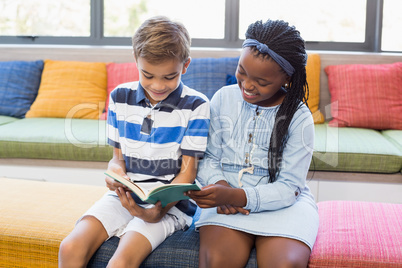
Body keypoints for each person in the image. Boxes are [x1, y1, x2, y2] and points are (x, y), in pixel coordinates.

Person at [58, 16, 210, 267]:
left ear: (185, 65)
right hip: (124, 197)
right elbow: (117, 159)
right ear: (136, 60)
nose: (158, 85)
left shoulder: (197, 105)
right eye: (147, 75)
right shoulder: (119, 97)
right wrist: (114, 174)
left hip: (170, 206)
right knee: (70, 247)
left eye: (169, 77)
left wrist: (157, 209)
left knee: (122, 261)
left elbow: (188, 173)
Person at [186, 19, 319, 268]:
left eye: (261, 81)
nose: (247, 85)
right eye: (242, 71)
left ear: (287, 79)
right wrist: (221, 186)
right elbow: (208, 157)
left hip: (284, 206)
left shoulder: (299, 117)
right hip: (225, 203)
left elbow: (289, 186)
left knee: (285, 265)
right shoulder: (223, 98)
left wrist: (240, 196)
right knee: (216, 261)